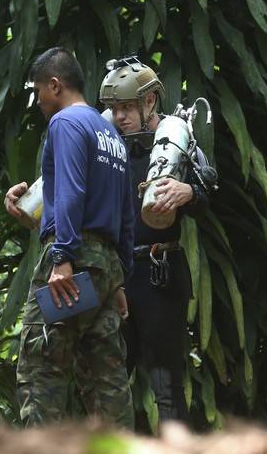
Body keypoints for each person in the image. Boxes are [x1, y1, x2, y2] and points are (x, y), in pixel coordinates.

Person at [4, 47, 135, 428]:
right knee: (106, 378)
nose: (39, 101)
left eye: (40, 91)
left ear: (55, 84)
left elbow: (73, 193)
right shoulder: (110, 132)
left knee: (42, 369)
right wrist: (119, 278)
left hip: (73, 261)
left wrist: (62, 256)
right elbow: (125, 211)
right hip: (106, 267)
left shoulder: (64, 124)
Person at [98, 57, 211, 426]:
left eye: (127, 107)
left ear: (149, 102)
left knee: (166, 386)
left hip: (159, 274)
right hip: (115, 276)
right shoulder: (108, 145)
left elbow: (209, 189)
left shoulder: (175, 140)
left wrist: (188, 191)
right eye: (114, 109)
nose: (120, 116)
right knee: (108, 385)